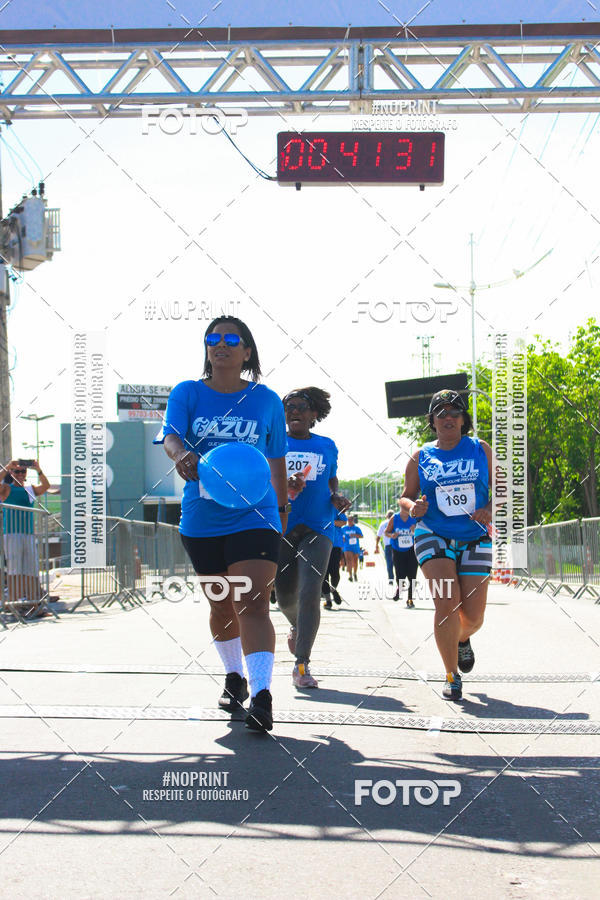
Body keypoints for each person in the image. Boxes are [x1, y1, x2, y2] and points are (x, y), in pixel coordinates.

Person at [157, 316, 288, 732]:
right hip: (202, 518)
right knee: (221, 604)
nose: (221, 344)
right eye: (213, 338)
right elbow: (172, 437)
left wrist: (282, 514)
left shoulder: (267, 400)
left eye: (232, 338)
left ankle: (263, 695)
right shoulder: (188, 392)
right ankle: (234, 675)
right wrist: (180, 456)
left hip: (256, 515)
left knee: (251, 601)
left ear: (247, 351)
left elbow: (277, 460)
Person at [399, 389, 493, 701]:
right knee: (446, 603)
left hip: (474, 536)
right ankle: (451, 676)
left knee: (474, 617)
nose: (448, 417)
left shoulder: (481, 449)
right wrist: (413, 508)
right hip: (432, 533)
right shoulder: (421, 455)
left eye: (454, 412)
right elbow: (405, 496)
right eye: (441, 413)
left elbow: (503, 490)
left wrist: (490, 509)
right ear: (432, 421)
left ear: (464, 419)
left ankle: (461, 639)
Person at [274, 387, 349, 689]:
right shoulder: (273, 444)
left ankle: (301, 664)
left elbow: (331, 478)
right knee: (285, 596)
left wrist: (336, 496)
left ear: (314, 414)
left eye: (301, 406)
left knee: (309, 592)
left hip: (319, 525)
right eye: (288, 406)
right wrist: (282, 483)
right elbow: (261, 480)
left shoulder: (327, 445)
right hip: (281, 526)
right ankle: (295, 625)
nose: (294, 411)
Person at [0, 459, 51, 618]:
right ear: (12, 473)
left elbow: (46, 487)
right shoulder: (7, 489)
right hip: (12, 534)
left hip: (28, 534)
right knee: (15, 569)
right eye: (17, 471)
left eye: (23, 471)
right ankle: (15, 604)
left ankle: (34, 604)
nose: (20, 474)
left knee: (31, 569)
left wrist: (38, 469)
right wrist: (8, 467)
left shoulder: (30, 489)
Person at [385, 507, 418, 606]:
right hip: (397, 550)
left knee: (412, 575)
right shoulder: (395, 518)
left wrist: (415, 530)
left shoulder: (414, 518)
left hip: (412, 549)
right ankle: (399, 588)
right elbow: (386, 532)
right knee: (400, 573)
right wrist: (392, 535)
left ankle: (410, 599)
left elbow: (423, 532)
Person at [322, 510, 347, 609]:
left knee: (335, 571)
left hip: (335, 544)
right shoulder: (318, 505)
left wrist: (329, 521)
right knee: (323, 573)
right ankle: (328, 601)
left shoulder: (337, 508)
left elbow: (343, 522)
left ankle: (333, 590)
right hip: (321, 543)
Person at [375, 509, 395, 584]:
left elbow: (378, 536)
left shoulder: (383, 524)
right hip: (396, 545)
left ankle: (391, 579)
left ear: (386, 516)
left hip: (387, 546)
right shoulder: (396, 522)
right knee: (397, 562)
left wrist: (376, 546)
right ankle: (399, 578)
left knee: (389, 563)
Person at [342, 515, 363, 582]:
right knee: (348, 560)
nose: (350, 521)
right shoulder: (344, 528)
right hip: (347, 546)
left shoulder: (356, 528)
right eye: (348, 520)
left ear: (353, 520)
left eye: (351, 520)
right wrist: (342, 538)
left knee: (355, 561)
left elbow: (361, 536)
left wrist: (355, 535)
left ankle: (355, 573)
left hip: (355, 547)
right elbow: (340, 535)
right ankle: (350, 575)